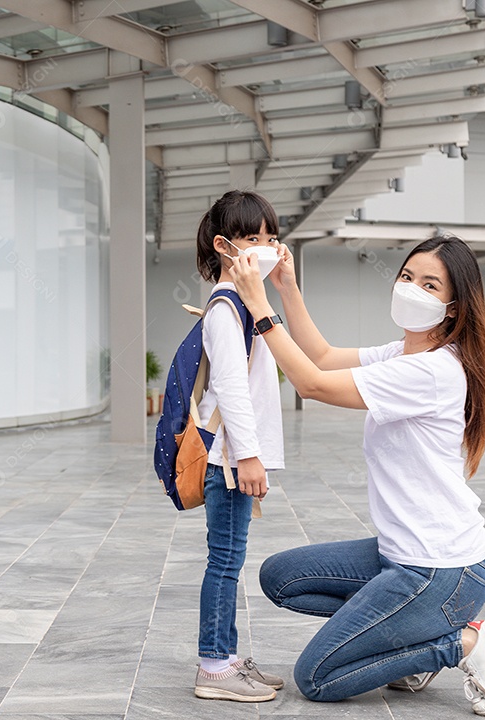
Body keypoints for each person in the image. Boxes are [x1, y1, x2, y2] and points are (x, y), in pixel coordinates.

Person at [227, 234, 485, 716]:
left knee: (316, 678)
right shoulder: (401, 356)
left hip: (440, 571)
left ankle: (463, 644)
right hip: (399, 554)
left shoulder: (434, 372)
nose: (411, 289)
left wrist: (259, 306)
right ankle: (405, 640)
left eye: (429, 284)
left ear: (452, 306)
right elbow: (319, 355)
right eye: (406, 276)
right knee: (281, 577)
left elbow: (311, 384)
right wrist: (286, 287)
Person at [191, 190, 286, 703]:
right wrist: (247, 459)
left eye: (271, 237)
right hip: (228, 457)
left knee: (230, 558)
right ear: (226, 246)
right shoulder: (226, 308)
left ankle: (226, 657)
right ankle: (213, 666)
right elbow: (229, 387)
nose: (266, 247)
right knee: (225, 561)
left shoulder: (247, 306)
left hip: (236, 455)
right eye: (253, 238)